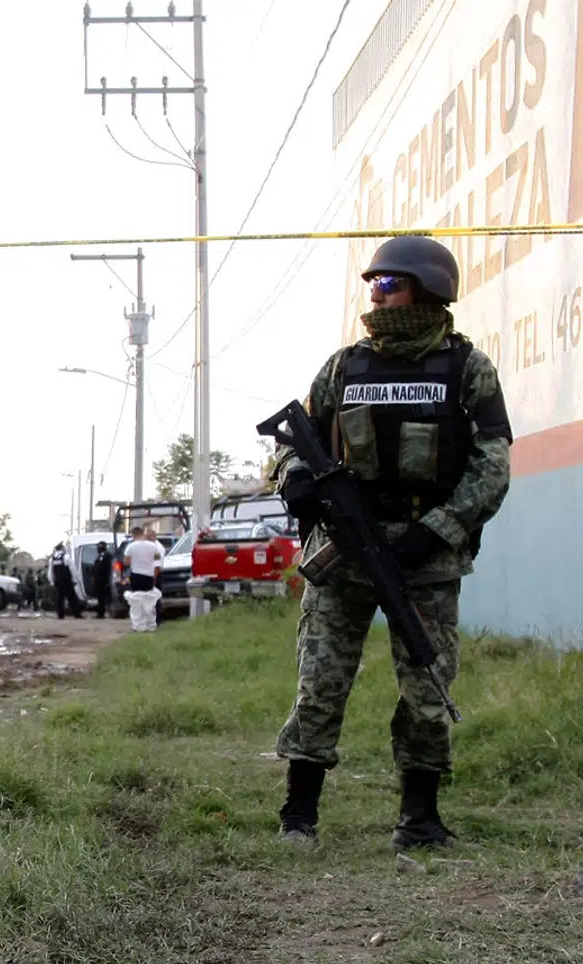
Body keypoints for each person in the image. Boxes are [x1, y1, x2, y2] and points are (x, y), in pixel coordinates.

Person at [273, 236, 511, 851]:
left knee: (428, 687)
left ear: (427, 291)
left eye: (389, 284)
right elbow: (292, 439)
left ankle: (420, 820)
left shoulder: (467, 368)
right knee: (320, 682)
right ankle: (298, 816)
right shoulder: (344, 366)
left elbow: (492, 467)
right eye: (372, 285)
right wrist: (295, 478)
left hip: (426, 557)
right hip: (344, 549)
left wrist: (436, 530)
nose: (376, 296)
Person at [49, 542, 84, 618]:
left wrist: (52, 582)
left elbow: (50, 572)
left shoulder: (52, 559)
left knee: (59, 599)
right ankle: (77, 614)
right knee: (72, 598)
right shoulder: (66, 557)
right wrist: (75, 580)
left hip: (58, 582)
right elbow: (73, 569)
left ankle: (60, 615)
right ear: (62, 548)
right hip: (67, 581)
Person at [92, 542, 114, 617]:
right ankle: (100, 613)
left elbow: (110, 569)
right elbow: (95, 567)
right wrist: (93, 576)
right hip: (98, 580)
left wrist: (109, 580)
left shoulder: (108, 556)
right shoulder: (98, 556)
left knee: (107, 597)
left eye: (99, 547)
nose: (98, 549)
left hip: (105, 580)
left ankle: (108, 612)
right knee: (100, 597)